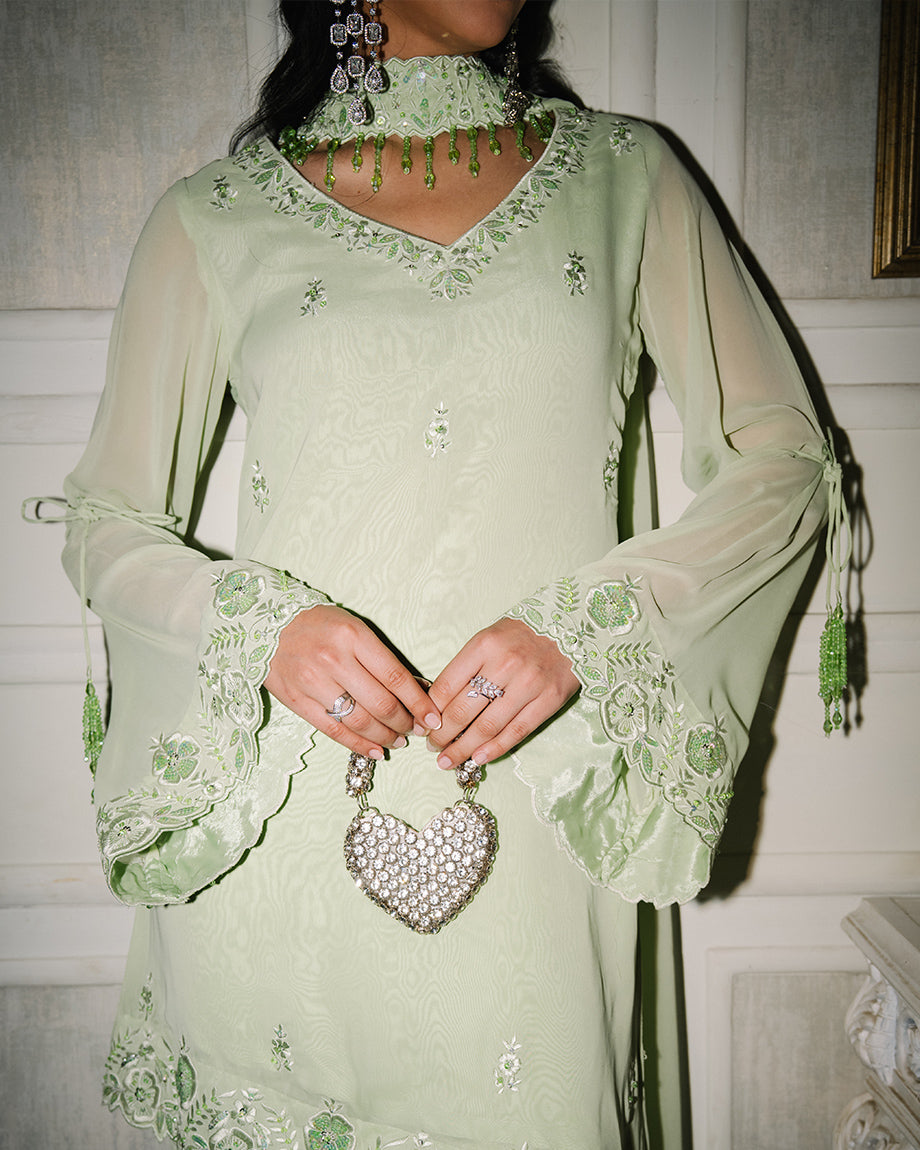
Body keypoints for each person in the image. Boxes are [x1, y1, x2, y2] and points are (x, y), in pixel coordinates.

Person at [59, 2, 845, 1147]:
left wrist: (591, 630)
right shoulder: (213, 216)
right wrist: (254, 628)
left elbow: (781, 460)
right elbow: (106, 519)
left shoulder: (624, 178)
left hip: (538, 808)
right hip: (284, 830)